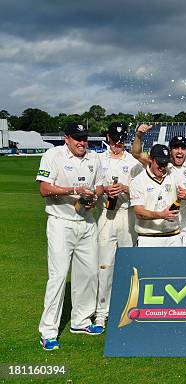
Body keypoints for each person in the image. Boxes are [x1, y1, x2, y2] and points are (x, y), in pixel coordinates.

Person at [36, 123, 105, 351]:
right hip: (60, 224)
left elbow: (99, 188)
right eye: (77, 139)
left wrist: (93, 197)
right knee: (57, 277)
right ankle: (48, 331)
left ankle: (81, 321)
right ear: (66, 138)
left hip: (86, 222)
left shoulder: (94, 158)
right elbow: (44, 189)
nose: (82, 143)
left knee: (89, 274)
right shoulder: (52, 155)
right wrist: (73, 191)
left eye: (84, 138)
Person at [94, 122, 142, 328]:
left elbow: (143, 192)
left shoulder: (133, 161)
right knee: (104, 265)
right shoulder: (97, 159)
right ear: (108, 138)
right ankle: (100, 313)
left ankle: (126, 308)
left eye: (121, 141)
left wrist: (126, 189)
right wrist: (104, 189)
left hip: (127, 215)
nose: (118, 145)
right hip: (106, 215)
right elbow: (91, 187)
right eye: (115, 140)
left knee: (128, 264)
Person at [132, 126, 186, 246]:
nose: (163, 166)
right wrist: (139, 135)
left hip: (175, 233)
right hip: (149, 237)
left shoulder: (174, 172)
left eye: (183, 148)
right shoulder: (139, 180)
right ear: (151, 160)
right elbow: (139, 212)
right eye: (176, 148)